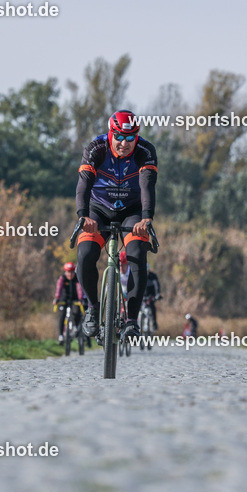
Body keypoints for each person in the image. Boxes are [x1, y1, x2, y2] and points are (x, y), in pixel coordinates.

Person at [75, 109, 158, 341]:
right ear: (110, 132)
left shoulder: (145, 151)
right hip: (98, 209)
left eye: (130, 137)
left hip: (132, 211)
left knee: (137, 254)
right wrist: (83, 216)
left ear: (137, 136)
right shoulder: (96, 149)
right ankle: (92, 309)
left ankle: (131, 320)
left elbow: (147, 187)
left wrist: (146, 218)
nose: (124, 142)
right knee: (86, 253)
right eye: (119, 136)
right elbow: (83, 186)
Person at [53, 261, 85, 344]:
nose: (70, 274)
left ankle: (75, 327)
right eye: (68, 272)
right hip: (64, 300)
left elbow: (79, 289)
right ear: (65, 272)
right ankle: (61, 336)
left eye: (71, 272)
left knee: (77, 312)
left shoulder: (76, 279)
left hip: (75, 300)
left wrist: (81, 299)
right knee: (62, 315)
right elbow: (59, 289)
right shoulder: (62, 279)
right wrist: (57, 298)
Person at [142, 264, 162, 330]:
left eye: (147, 271)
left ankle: (154, 323)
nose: (146, 273)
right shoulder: (139, 276)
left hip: (151, 296)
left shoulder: (153, 276)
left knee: (152, 306)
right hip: (142, 296)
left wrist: (158, 294)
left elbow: (156, 285)